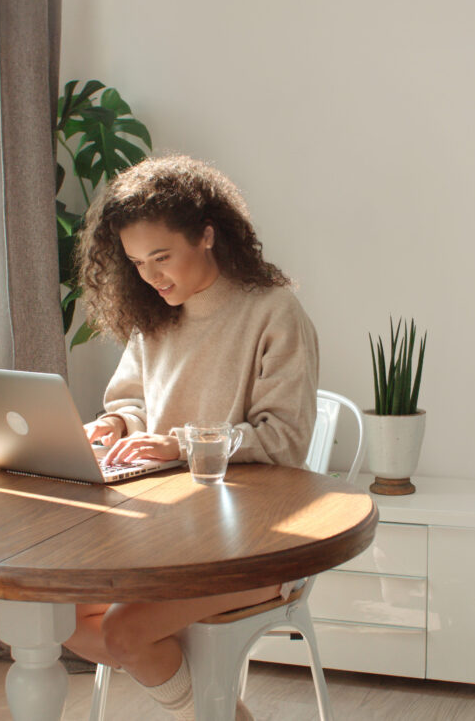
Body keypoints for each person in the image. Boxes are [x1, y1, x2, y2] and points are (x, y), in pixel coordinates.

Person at [64, 153, 318, 721]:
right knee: (64, 619)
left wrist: (178, 444)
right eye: (136, 263)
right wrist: (114, 424)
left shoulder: (275, 313)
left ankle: (222, 714)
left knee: (127, 631)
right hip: (163, 533)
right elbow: (130, 398)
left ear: (206, 235)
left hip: (256, 541)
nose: (152, 277)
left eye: (162, 257)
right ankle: (218, 707)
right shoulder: (156, 315)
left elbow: (284, 440)